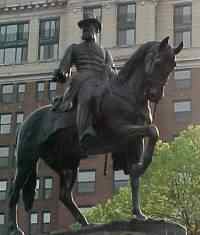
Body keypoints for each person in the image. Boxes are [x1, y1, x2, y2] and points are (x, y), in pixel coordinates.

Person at [52, 15, 117, 151]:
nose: (86, 30)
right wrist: (61, 74)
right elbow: (64, 68)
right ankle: (84, 132)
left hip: (102, 81)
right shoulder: (74, 48)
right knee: (87, 96)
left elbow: (113, 70)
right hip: (81, 81)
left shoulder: (105, 52)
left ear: (96, 31)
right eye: (84, 28)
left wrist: (109, 71)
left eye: (89, 27)